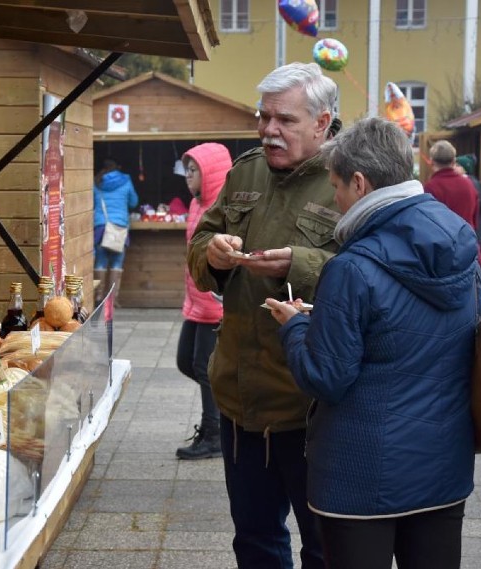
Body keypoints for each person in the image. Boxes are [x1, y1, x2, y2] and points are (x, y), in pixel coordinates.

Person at [266, 117, 477, 569]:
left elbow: (327, 378)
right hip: (443, 466)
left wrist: (294, 327)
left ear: (360, 183)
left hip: (362, 477)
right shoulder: (459, 242)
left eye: (337, 187)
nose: (336, 200)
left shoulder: (351, 268)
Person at [187, 61, 342, 569]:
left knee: (325, 549)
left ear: (322, 122)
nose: (269, 130)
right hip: (240, 400)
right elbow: (201, 240)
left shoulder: (351, 179)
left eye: (285, 120)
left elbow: (377, 269)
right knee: (254, 544)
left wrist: (304, 263)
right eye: (264, 117)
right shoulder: (247, 169)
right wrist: (210, 253)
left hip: (311, 408)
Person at [175, 142, 232, 460]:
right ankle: (222, 421)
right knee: (187, 361)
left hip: (213, 303)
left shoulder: (221, 210)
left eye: (194, 171)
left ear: (210, 175)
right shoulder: (197, 204)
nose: (188, 177)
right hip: (195, 301)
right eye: (186, 171)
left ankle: (215, 434)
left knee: (203, 366)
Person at [424, 141, 480, 265]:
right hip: (470, 249)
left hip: (444, 255)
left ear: (431, 161)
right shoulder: (469, 185)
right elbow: (475, 220)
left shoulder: (431, 188)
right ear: (454, 161)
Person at [93, 158, 138, 307]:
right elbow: (133, 202)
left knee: (100, 263)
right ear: (118, 167)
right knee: (116, 264)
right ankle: (112, 300)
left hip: (101, 228)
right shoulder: (125, 180)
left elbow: (90, 202)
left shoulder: (97, 181)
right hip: (119, 229)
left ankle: (99, 298)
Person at [454, 153, 481, 260]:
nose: (454, 167)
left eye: (457, 165)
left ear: (465, 168)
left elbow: (480, 205)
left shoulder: (471, 183)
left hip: (477, 231)